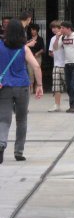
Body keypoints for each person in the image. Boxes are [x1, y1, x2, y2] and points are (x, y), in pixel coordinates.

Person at [0, 19, 44, 163]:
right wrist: (40, 85)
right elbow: (36, 66)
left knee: (4, 119)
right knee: (21, 119)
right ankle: (19, 152)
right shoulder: (24, 49)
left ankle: (1, 144)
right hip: (22, 87)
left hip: (4, 87)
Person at [47, 20, 66, 112]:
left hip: (66, 65)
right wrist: (54, 55)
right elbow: (51, 51)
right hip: (57, 64)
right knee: (56, 86)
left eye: (55, 27)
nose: (53, 29)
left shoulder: (66, 37)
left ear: (60, 28)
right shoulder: (53, 38)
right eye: (52, 28)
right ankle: (57, 105)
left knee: (70, 86)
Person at [25, 23, 45, 93]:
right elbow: (24, 47)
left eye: (34, 30)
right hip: (29, 58)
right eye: (31, 30)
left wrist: (37, 53)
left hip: (38, 57)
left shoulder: (40, 39)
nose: (32, 31)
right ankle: (31, 88)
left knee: (37, 70)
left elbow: (43, 49)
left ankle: (37, 87)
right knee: (30, 72)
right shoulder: (28, 39)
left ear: (37, 31)